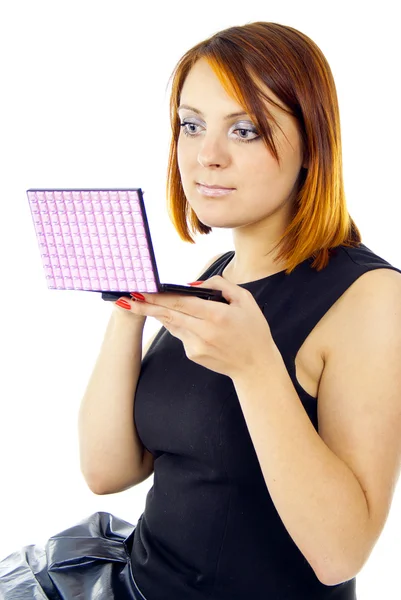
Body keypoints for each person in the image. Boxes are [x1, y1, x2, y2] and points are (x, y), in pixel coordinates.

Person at [1, 20, 401, 600]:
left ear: (312, 144)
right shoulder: (216, 275)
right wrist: (127, 310)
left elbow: (340, 555)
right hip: (139, 581)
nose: (206, 156)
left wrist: (256, 367)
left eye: (244, 130)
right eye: (191, 126)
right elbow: (107, 472)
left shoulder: (370, 297)